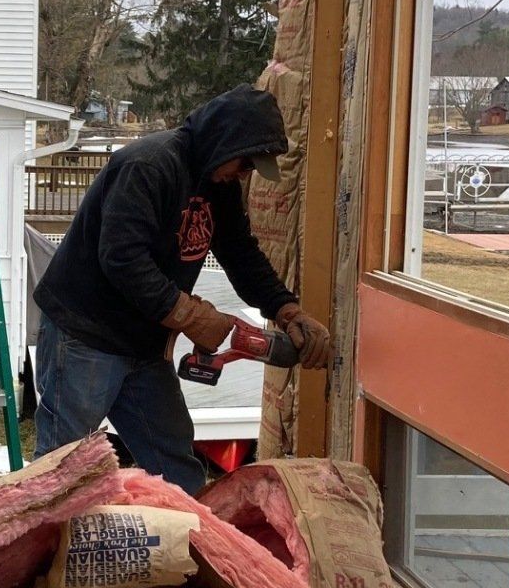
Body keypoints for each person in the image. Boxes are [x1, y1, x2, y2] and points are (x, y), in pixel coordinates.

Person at [32, 84, 332, 493]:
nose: (245, 174)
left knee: (175, 464)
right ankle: (42, 536)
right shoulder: (148, 165)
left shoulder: (220, 186)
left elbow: (241, 254)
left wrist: (285, 308)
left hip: (144, 343)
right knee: (60, 469)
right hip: (87, 334)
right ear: (225, 141)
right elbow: (122, 258)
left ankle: (192, 533)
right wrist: (189, 315)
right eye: (245, 163)